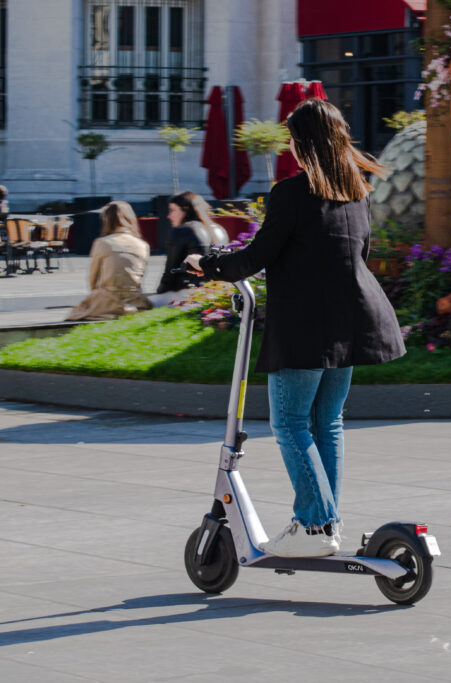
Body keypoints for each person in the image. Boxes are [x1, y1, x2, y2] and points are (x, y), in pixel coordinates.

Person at [184, 99, 406, 558]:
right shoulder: (357, 192)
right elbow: (352, 254)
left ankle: (316, 525)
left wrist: (204, 264)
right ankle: (325, 524)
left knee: (289, 425)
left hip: (307, 328)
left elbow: (255, 257)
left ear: (302, 144)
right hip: (353, 322)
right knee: (327, 423)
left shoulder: (290, 193)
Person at [66, 201, 152, 321]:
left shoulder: (103, 243)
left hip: (108, 301)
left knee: (76, 313)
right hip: (136, 301)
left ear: (107, 220)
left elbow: (93, 279)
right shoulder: (143, 245)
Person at [150, 191, 229, 306]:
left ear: (185, 209)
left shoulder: (182, 231)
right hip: (218, 292)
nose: (169, 216)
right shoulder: (219, 230)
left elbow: (170, 274)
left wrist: (160, 293)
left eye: (172, 210)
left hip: (190, 293)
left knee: (147, 303)